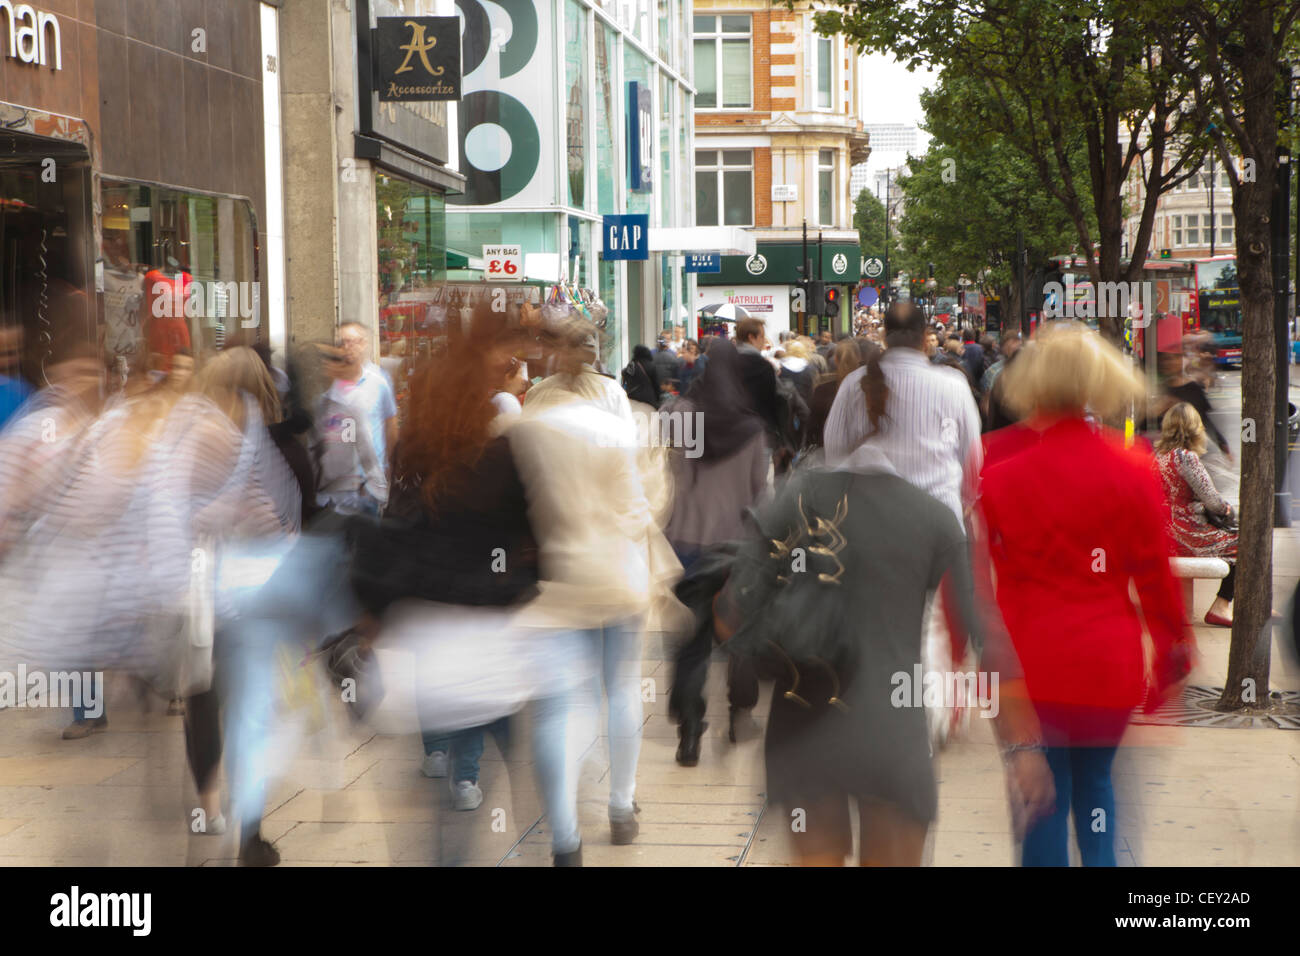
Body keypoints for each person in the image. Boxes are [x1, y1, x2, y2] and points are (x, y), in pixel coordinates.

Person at [711, 440, 1053, 866]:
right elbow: (984, 632)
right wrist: (1023, 748)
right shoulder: (934, 517)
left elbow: (730, 613)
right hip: (893, 736)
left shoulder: (794, 499)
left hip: (802, 736)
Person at [979, 322, 1194, 867]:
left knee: (1042, 801)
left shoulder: (1000, 472)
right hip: (1107, 663)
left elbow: (983, 584)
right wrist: (1172, 656)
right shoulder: (1132, 467)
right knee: (1098, 786)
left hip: (1033, 666)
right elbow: (1156, 578)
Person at [508, 318, 679, 864]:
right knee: (621, 688)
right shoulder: (613, 403)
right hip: (617, 570)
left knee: (561, 706)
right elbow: (638, 498)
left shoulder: (533, 409)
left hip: (558, 578)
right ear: (592, 352)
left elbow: (518, 493)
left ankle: (564, 838)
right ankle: (622, 805)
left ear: (550, 352)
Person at [663, 339, 771, 763]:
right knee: (739, 634)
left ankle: (689, 734)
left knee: (691, 642)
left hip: (685, 545)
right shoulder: (750, 429)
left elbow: (665, 478)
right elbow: (760, 493)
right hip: (737, 548)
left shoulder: (678, 419)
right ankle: (740, 713)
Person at [1154, 402, 1238, 626]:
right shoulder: (1185, 458)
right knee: (1246, 544)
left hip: (1161, 533)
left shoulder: (1157, 457)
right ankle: (1221, 606)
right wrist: (1228, 510)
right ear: (1195, 429)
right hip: (1187, 533)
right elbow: (1213, 502)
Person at [330, 321, 399, 476]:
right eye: (342, 342)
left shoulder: (379, 380)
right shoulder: (330, 381)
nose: (346, 347)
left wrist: (391, 466)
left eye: (352, 341)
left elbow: (391, 424)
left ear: (364, 344)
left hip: (371, 477)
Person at [805, 338, 866, 451]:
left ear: (836, 360)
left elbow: (812, 426)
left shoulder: (822, 389)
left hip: (827, 451)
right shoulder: (867, 387)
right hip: (861, 452)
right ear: (859, 358)